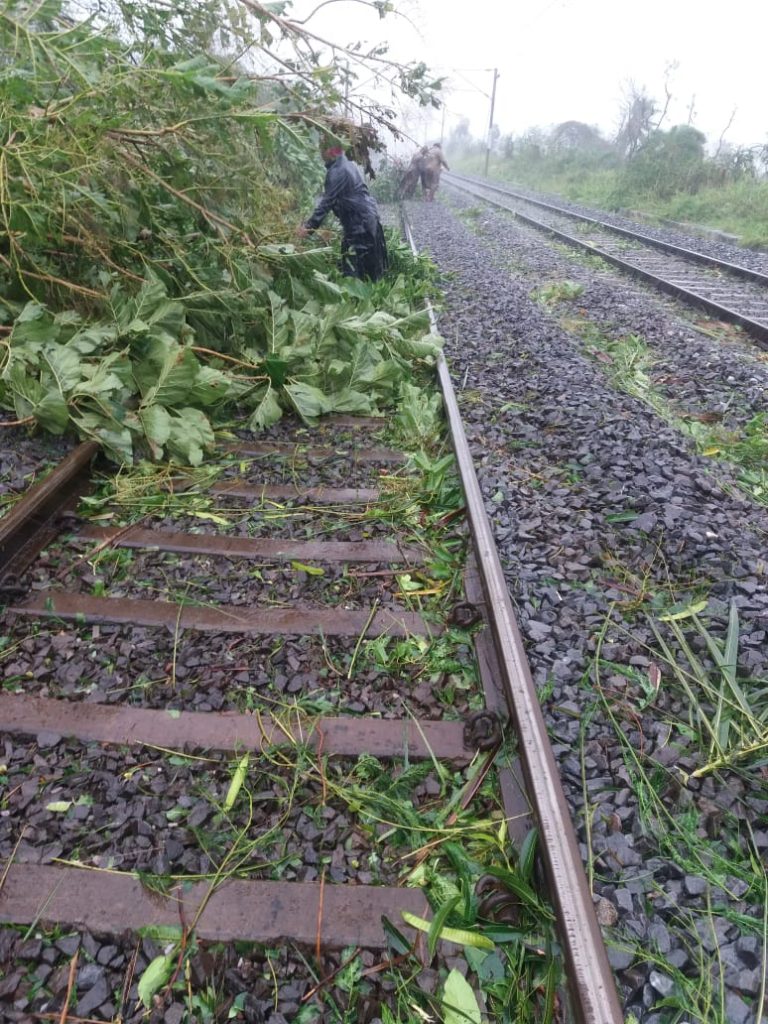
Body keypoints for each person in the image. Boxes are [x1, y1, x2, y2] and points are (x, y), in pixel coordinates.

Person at [297, 141, 388, 281]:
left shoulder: (337, 171)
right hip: (367, 220)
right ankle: (367, 298)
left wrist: (308, 227)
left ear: (330, 151)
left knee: (353, 272)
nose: (320, 153)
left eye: (322, 149)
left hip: (360, 226)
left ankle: (356, 300)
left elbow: (327, 202)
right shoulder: (346, 164)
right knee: (369, 273)